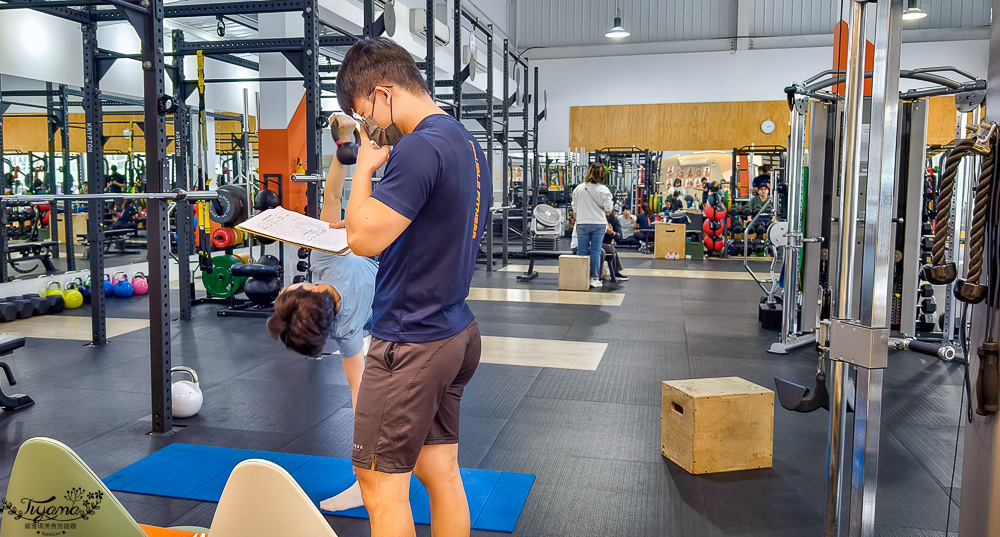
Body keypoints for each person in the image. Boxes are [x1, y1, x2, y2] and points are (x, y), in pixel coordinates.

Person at [335, 37, 492, 537]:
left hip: (411, 340)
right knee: (440, 472)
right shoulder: (464, 141)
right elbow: (424, 224)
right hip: (455, 332)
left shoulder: (419, 146)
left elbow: (361, 239)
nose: (370, 129)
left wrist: (362, 166)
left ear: (383, 93)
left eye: (365, 116)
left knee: (378, 484)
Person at [265, 114, 378, 514]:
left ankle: (366, 483)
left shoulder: (345, 331)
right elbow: (332, 196)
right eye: (289, 290)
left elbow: (357, 393)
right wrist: (344, 147)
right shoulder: (325, 259)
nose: (286, 286)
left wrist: (363, 451)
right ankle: (368, 484)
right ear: (307, 289)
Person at [572, 162, 613, 289]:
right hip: (598, 224)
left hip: (582, 223)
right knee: (595, 251)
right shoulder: (604, 190)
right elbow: (608, 209)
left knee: (581, 250)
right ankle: (594, 278)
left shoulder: (579, 188)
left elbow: (574, 208)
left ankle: (580, 277)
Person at [602, 212, 628, 282]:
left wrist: (612, 233)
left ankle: (615, 272)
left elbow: (619, 237)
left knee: (610, 248)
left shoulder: (614, 220)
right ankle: (615, 272)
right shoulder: (597, 216)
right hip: (595, 243)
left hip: (605, 244)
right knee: (611, 249)